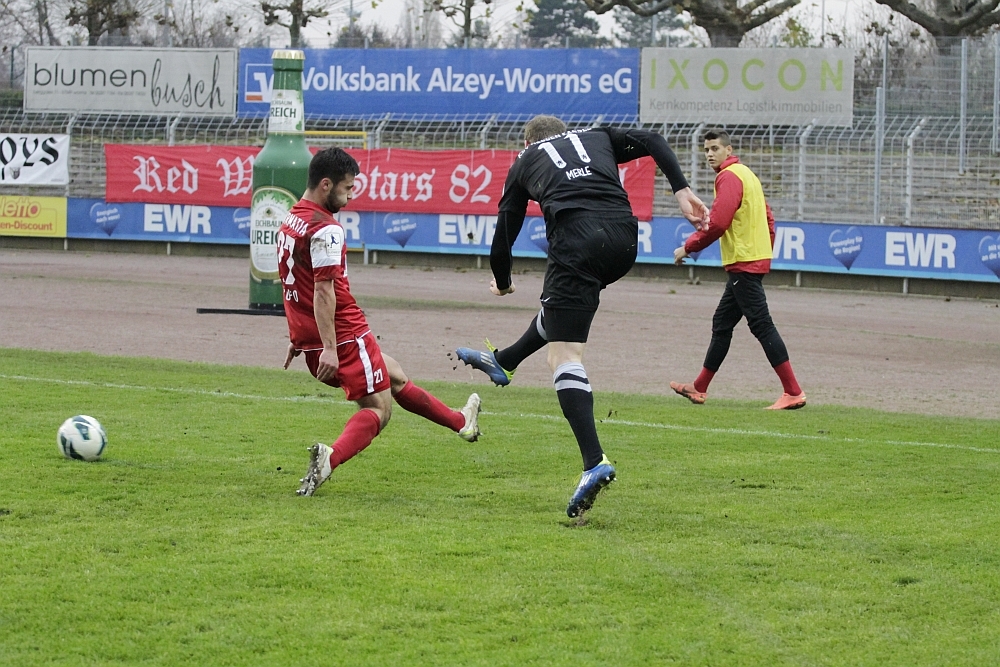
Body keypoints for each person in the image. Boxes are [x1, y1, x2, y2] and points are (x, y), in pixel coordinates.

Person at [456, 115, 709, 518]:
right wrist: (682, 191)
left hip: (578, 239)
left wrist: (502, 281)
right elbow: (653, 138)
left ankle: (594, 461)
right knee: (562, 313)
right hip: (624, 241)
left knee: (564, 355)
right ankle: (504, 361)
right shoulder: (597, 135)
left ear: (528, 142)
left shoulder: (524, 161)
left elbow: (504, 234)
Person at [278, 147, 482, 496]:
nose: (350, 195)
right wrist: (329, 346)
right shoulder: (326, 229)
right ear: (326, 185)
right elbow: (323, 291)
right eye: (346, 188)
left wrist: (300, 337)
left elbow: (293, 283)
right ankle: (329, 459)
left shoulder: (291, 219)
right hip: (343, 336)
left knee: (395, 374)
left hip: (316, 337)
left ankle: (461, 422)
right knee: (378, 408)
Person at [670, 129, 806, 410]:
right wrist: (763, 253)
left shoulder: (728, 176)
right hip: (750, 260)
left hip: (744, 262)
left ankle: (793, 391)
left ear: (728, 150)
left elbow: (719, 223)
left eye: (715, 149)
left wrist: (689, 247)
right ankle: (699, 387)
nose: (709, 154)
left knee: (761, 325)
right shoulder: (747, 175)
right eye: (706, 149)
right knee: (722, 323)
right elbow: (768, 218)